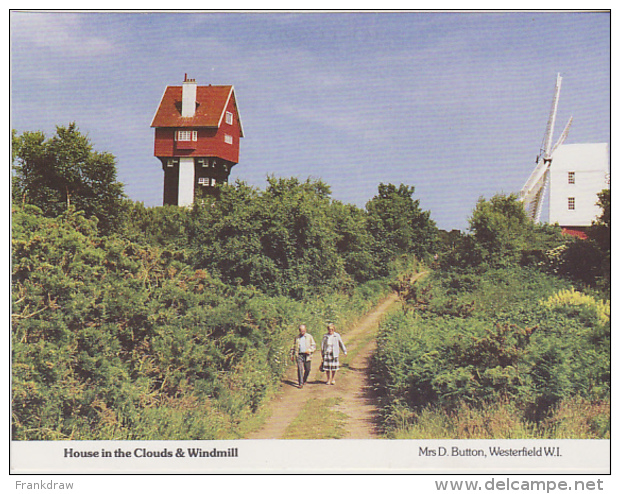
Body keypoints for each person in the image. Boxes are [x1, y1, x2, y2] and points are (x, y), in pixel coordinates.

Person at [290, 324, 316, 389]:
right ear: (299, 330)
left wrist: (309, 350)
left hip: (307, 355)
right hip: (299, 355)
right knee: (300, 369)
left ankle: (304, 379)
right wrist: (292, 355)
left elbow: (314, 345)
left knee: (308, 369)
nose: (302, 332)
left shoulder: (309, 336)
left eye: (303, 331)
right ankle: (300, 383)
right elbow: (293, 347)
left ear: (305, 330)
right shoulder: (297, 338)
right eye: (301, 331)